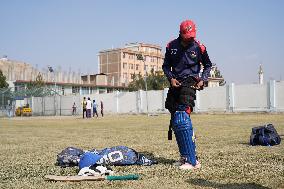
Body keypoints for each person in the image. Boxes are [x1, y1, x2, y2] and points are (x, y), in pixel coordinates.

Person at [162, 20, 212, 170]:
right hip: (176, 83)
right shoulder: (171, 46)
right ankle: (185, 157)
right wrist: (171, 78)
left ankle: (192, 161)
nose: (190, 38)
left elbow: (208, 65)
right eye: (187, 36)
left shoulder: (199, 47)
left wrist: (203, 79)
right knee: (177, 122)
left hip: (190, 82)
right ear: (181, 33)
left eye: (192, 35)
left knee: (182, 118)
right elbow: (165, 66)